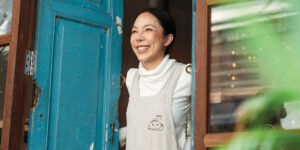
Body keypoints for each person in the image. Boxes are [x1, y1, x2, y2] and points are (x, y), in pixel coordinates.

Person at [119, 8, 192, 150]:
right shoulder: (132, 78)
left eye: (148, 29)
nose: (139, 37)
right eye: (134, 31)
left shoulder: (185, 75)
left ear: (167, 39)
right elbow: (143, 124)